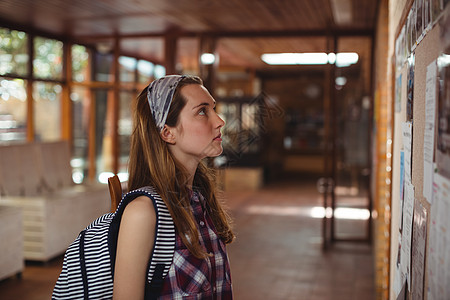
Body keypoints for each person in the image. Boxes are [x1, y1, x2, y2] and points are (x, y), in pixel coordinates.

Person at [113, 75, 235, 299]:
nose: (219, 121)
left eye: (213, 109)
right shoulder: (143, 212)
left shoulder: (200, 200)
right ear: (168, 132)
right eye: (202, 111)